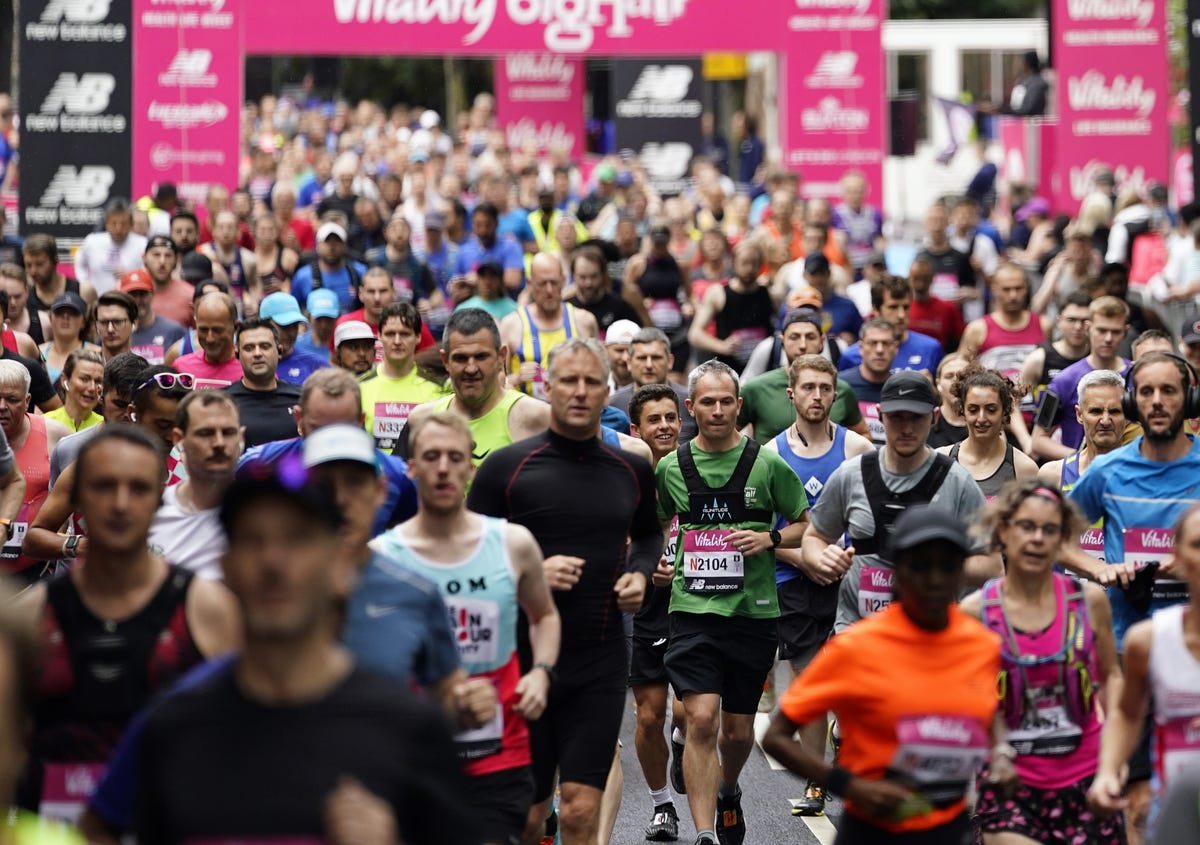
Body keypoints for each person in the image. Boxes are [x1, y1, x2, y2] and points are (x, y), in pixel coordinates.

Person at [133, 460, 474, 845]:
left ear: (338, 567)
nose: (272, 561)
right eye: (251, 539)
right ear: (225, 567)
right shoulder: (172, 730)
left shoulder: (411, 731)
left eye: (297, 539)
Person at [468, 338, 660, 845]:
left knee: (579, 809)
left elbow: (646, 534)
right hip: (522, 659)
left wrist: (639, 575)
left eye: (591, 382)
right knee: (527, 817)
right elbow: (468, 553)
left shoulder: (632, 469)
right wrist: (528, 574)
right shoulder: (505, 469)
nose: (579, 392)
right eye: (568, 381)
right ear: (547, 387)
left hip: (599, 659)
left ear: (607, 390)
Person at [14, 425, 239, 821]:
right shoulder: (32, 616)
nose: (120, 504)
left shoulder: (207, 608)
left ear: (160, 499)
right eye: (104, 486)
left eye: (137, 488)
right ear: (79, 496)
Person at [764, 504, 1010, 845]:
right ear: (899, 571)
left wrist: (1001, 756)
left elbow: (989, 712)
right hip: (872, 831)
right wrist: (848, 785)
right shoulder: (856, 647)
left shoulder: (981, 644)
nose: (935, 578)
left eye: (947, 566)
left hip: (950, 828)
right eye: (921, 566)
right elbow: (775, 737)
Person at [373, 412, 561, 845]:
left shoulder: (512, 544)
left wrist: (541, 672)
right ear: (411, 468)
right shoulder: (383, 558)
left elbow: (545, 616)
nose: (443, 467)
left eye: (455, 457)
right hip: (414, 758)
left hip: (498, 754)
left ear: (471, 469)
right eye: (431, 456)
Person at [655, 360, 810, 845]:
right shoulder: (670, 468)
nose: (717, 411)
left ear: (739, 406)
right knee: (700, 719)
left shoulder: (765, 464)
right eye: (708, 402)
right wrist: (665, 558)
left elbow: (805, 522)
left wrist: (771, 539)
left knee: (738, 733)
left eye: (726, 402)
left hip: (753, 613)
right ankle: (704, 834)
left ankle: (728, 790)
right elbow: (662, 524)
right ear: (691, 407)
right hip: (692, 611)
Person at [960, 480, 1123, 845]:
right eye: (1026, 527)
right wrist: (993, 750)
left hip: (1086, 778)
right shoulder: (976, 613)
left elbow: (1111, 678)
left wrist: (1114, 763)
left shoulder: (1090, 601)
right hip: (1010, 784)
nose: (1037, 539)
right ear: (1003, 531)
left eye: (1049, 530)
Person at [762, 354, 874, 815]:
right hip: (794, 577)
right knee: (810, 682)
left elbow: (874, 523)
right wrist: (806, 560)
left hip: (850, 578)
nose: (816, 397)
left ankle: (845, 744)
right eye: (807, 388)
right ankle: (815, 780)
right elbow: (765, 536)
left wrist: (847, 560)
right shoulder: (770, 454)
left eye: (825, 389)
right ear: (792, 393)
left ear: (836, 394)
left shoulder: (857, 451)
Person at [802, 370, 997, 634]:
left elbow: (993, 564)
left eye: (916, 418)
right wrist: (822, 558)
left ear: (934, 417)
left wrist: (935, 570)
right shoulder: (852, 474)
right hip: (858, 632)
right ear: (881, 415)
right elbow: (814, 537)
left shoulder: (956, 481)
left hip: (928, 633)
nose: (906, 428)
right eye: (896, 418)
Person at [1087, 503, 1200, 832]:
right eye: (1197, 546)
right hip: (1175, 814)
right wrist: (1109, 770)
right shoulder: (1148, 640)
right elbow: (1128, 714)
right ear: (1176, 556)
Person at [626, 384, 687, 840]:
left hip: (697, 603)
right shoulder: (622, 478)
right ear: (636, 429)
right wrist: (645, 567)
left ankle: (687, 745)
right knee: (649, 717)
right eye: (654, 420)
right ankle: (662, 804)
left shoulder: (696, 468)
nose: (664, 426)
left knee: (690, 714)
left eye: (670, 418)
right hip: (645, 607)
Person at [400, 308, 550, 467]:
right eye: (461, 358)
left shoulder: (537, 418)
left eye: (481, 357)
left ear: (501, 357)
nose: (471, 368)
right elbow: (399, 488)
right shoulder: (421, 420)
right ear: (445, 360)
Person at [148, 391, 242, 581]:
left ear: (242, 437)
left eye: (228, 432)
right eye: (205, 433)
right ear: (179, 439)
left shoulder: (262, 515)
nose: (219, 443)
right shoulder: (151, 515)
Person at [738, 310, 868, 443]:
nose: (802, 346)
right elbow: (727, 434)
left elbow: (863, 434)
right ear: (782, 341)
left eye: (810, 337)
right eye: (794, 337)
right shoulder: (755, 389)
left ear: (822, 341)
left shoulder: (841, 389)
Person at [1038, 369, 1126, 560]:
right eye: (1095, 411)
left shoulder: (1141, 476)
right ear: (1079, 414)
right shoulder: (1052, 475)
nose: (1105, 420)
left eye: (1115, 411)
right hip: (1069, 589)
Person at [1033, 296, 1131, 460]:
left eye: (1115, 332)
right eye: (1101, 330)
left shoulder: (1136, 375)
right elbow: (1038, 440)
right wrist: (1082, 460)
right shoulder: (1065, 380)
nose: (1108, 338)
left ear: (1126, 331)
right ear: (1088, 327)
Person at [0, 361, 71, 584]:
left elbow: (74, 497)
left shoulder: (55, 435)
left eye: (12, 400)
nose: (2, 406)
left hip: (37, 573)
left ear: (28, 401)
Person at [501, 252, 598, 400]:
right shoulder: (512, 324)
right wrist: (516, 378)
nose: (549, 290)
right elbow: (496, 382)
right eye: (542, 283)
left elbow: (600, 375)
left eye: (554, 283)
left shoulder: (584, 321)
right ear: (530, 283)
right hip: (526, 417)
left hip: (574, 412)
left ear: (563, 281)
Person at [961, 264, 1049, 422]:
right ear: (994, 289)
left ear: (1027, 288)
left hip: (1035, 418)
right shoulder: (978, 329)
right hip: (992, 420)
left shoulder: (1043, 325)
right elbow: (962, 374)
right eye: (1006, 289)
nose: (1013, 295)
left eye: (1018, 288)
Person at [937, 366, 1039, 499]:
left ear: (1005, 411)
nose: (981, 418)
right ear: (963, 410)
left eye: (991, 410)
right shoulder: (941, 460)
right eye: (973, 410)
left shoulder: (1024, 468)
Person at [358, 302, 448, 451]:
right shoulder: (358, 387)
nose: (397, 341)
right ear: (379, 336)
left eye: (405, 334)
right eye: (390, 334)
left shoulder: (439, 387)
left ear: (418, 337)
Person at [689, 241, 775, 372]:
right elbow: (695, 334)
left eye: (754, 264)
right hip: (729, 370)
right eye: (744, 263)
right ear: (734, 263)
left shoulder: (768, 293)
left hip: (761, 371)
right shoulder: (718, 293)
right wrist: (721, 346)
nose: (750, 269)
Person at [837, 276, 942, 376]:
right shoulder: (852, 357)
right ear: (876, 311)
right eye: (893, 307)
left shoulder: (931, 349)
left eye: (905, 307)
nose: (901, 315)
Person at [608, 327, 698, 444]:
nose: (649, 365)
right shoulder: (613, 404)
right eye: (642, 358)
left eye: (656, 357)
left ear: (670, 361)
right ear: (629, 362)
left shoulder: (691, 402)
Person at [222, 318, 302, 448]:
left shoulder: (301, 398)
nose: (257, 353)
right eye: (249, 348)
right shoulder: (222, 402)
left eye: (265, 346)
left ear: (279, 351)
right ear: (237, 354)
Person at [1019, 290, 1092, 421]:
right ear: (1059, 321)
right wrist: (1027, 440)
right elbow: (1014, 405)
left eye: (1084, 321)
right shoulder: (1039, 359)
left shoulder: (1099, 359)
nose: (1078, 327)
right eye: (1071, 320)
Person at [839, 318, 901, 446]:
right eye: (873, 343)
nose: (879, 350)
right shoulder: (841, 385)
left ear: (895, 348)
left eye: (886, 343)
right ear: (861, 347)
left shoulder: (903, 387)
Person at [73, 198, 147, 295]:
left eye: (123, 224)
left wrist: (132, 276)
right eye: (113, 224)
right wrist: (83, 283)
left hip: (130, 300)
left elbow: (149, 272)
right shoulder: (92, 241)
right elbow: (79, 261)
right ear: (106, 223)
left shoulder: (143, 244)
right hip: (97, 300)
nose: (118, 229)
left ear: (131, 224)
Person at [290, 221, 368, 313]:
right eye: (327, 242)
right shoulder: (303, 277)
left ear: (344, 246)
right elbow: (294, 309)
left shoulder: (359, 272)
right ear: (317, 246)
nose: (332, 247)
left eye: (336, 242)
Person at [172, 293, 243, 389]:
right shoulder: (181, 368)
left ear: (236, 327)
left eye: (218, 330)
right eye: (203, 330)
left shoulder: (249, 370)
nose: (210, 339)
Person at [568, 245, 642, 337]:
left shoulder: (620, 308)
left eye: (594, 276)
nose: (588, 283)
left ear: (603, 275)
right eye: (582, 277)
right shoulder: (567, 310)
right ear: (573, 276)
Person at [258, 292, 329, 386]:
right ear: (264, 325)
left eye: (295, 326)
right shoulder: (249, 365)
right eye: (284, 326)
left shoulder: (315, 365)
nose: (291, 333)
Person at [120, 270, 185, 365]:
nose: (138, 300)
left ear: (152, 294)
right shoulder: (114, 332)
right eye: (133, 295)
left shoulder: (173, 330)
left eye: (142, 294)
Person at [199, 210, 261, 308]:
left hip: (239, 310)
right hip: (210, 307)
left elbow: (255, 284)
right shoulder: (202, 253)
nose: (225, 231)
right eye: (221, 227)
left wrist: (254, 303)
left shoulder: (249, 258)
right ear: (213, 230)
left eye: (230, 227)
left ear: (238, 231)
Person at [24, 233, 96, 316]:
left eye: (40, 264)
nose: (33, 271)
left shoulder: (84, 292)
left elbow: (94, 327)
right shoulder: (25, 298)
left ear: (55, 260)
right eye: (28, 265)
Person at [38, 293, 96, 390]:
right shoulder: (38, 351)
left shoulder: (96, 353)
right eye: (59, 312)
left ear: (83, 321)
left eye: (73, 313)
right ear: (50, 318)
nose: (65, 317)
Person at [907, 256, 965, 351]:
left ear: (932, 278)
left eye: (924, 278)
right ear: (909, 278)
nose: (920, 284)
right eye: (916, 278)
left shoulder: (947, 308)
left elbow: (961, 338)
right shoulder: (901, 307)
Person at [140, 234, 194, 329]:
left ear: (177, 260)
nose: (162, 261)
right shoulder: (129, 292)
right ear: (144, 258)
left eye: (168, 255)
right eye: (156, 255)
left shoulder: (190, 295)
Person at [44, 350, 104, 433]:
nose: (92, 388)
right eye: (84, 379)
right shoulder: (45, 423)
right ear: (64, 380)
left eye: (98, 381)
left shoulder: (105, 428)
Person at [927, 352, 970, 448]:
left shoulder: (984, 420)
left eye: (963, 377)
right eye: (949, 376)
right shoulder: (926, 421)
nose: (956, 382)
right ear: (938, 383)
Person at [296, 288, 340, 362]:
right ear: (309, 316)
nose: (324, 325)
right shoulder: (297, 346)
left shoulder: (342, 346)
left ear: (337, 317)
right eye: (318, 319)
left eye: (329, 319)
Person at [93, 291, 137, 362]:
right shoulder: (85, 370)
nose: (110, 329)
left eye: (117, 322)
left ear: (133, 324)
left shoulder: (145, 371)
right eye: (104, 322)